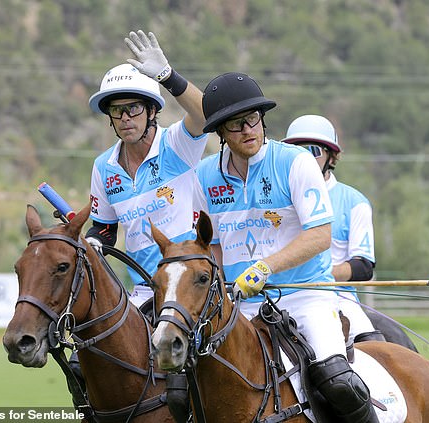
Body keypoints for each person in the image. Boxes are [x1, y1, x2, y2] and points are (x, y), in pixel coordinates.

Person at [193, 73, 379, 423]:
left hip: (305, 295)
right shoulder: (204, 176)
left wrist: (265, 268)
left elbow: (320, 235)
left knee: (339, 382)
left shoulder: (295, 162)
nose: (249, 130)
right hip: (239, 304)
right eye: (236, 124)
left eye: (254, 119)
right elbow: (212, 245)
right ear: (220, 132)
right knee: (186, 379)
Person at [86, 31, 208, 308]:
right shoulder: (103, 167)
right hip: (144, 290)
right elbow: (104, 229)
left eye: (133, 108)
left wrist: (167, 76)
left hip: (190, 286)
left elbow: (206, 114)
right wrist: (94, 243)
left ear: (152, 111)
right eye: (117, 111)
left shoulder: (176, 144)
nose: (125, 118)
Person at [281, 115, 385, 344]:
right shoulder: (275, 199)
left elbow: (363, 267)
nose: (305, 159)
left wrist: (319, 274)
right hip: (280, 295)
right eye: (297, 152)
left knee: (374, 347)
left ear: (331, 156)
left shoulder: (354, 201)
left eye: (313, 151)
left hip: (337, 298)